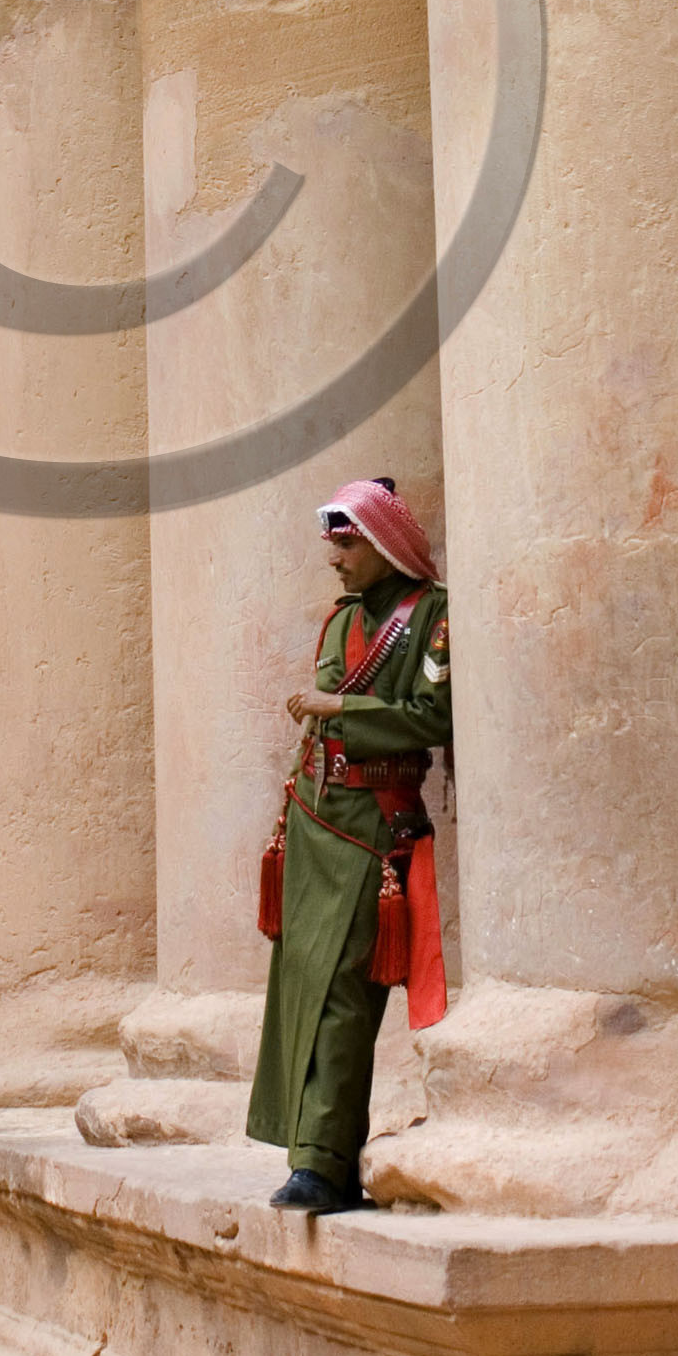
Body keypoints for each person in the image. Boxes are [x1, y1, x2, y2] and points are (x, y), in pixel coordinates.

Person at [247, 478, 451, 1213]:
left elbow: (433, 716)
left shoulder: (431, 616)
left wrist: (342, 706)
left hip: (373, 822)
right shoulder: (341, 621)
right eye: (333, 545)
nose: (334, 559)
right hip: (313, 819)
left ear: (385, 543)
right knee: (302, 980)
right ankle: (309, 1155)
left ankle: (323, 1166)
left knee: (342, 989)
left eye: (348, 545)